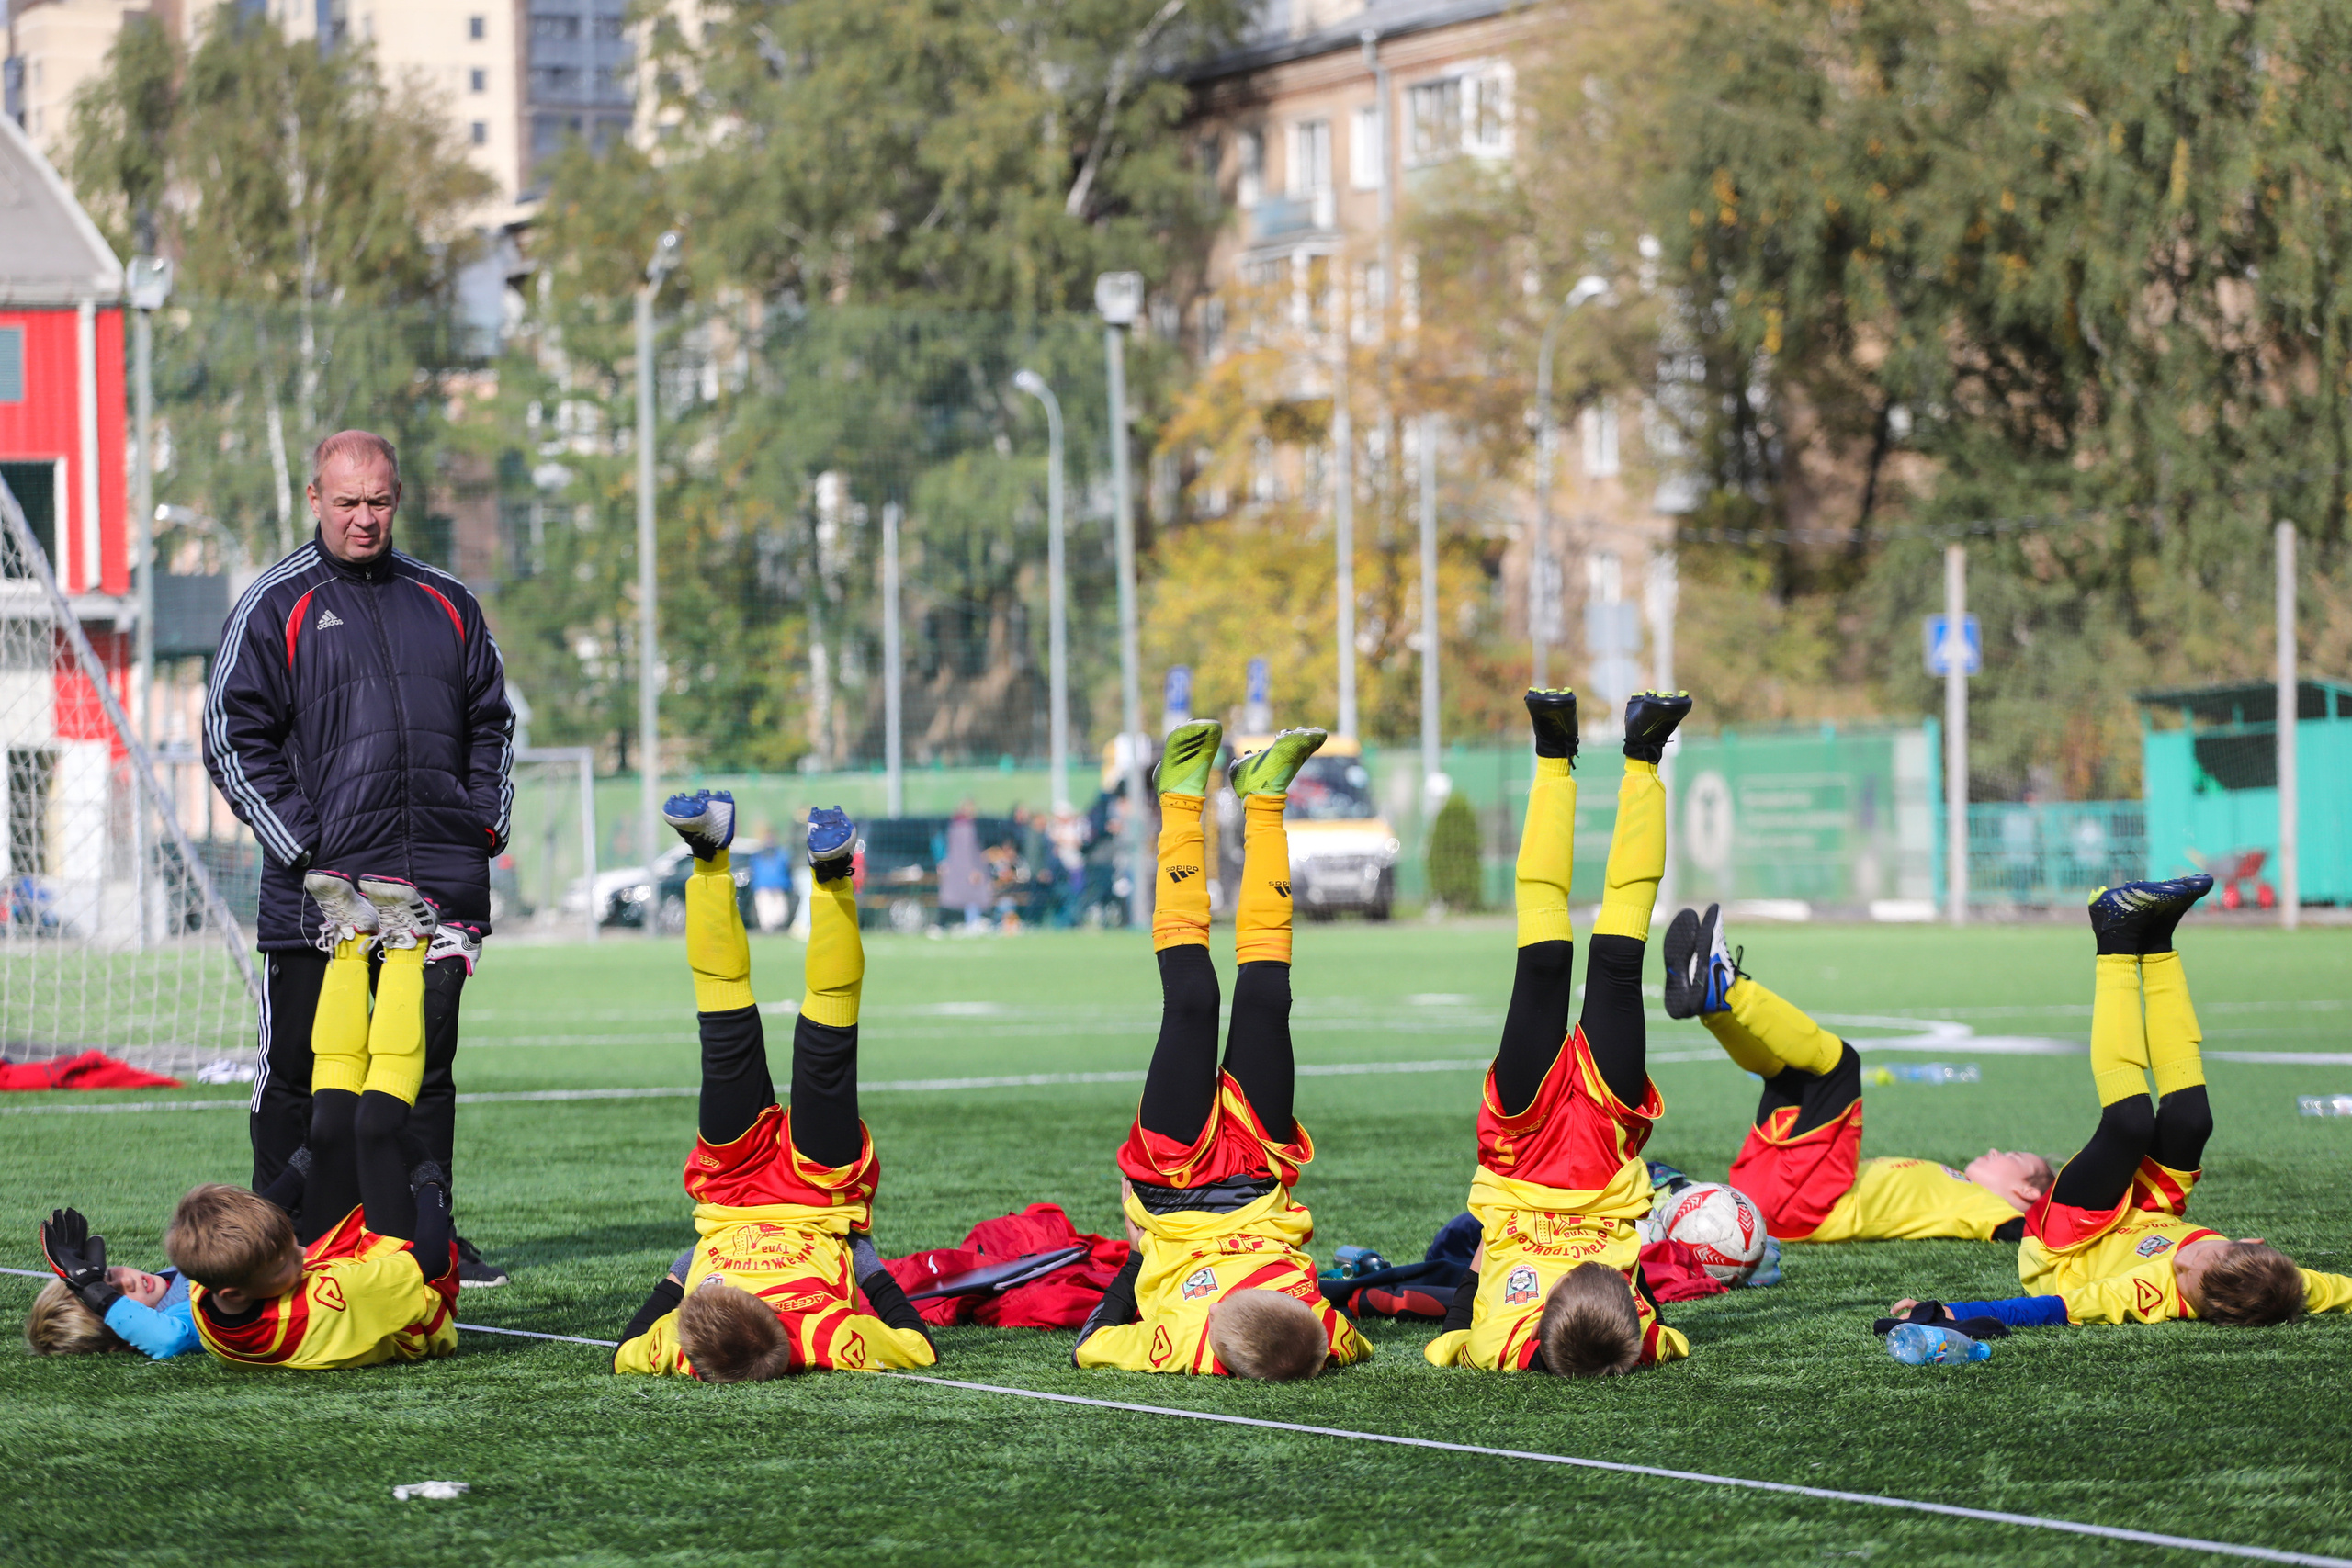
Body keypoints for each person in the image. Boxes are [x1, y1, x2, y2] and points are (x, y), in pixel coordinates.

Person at [203, 429, 514, 1288]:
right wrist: (307, 850)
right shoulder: (274, 604)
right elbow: (231, 739)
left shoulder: (448, 600)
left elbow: (492, 721)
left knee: (424, 1072)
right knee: (300, 1075)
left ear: (399, 497)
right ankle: (277, 1238)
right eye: (347, 503)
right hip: (320, 897)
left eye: (378, 501)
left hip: (436, 889)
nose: (364, 519)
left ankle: (426, 1235)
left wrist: (481, 824)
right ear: (314, 499)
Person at [1888, 876, 2352, 1331]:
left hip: (2066, 1247)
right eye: (2202, 1250)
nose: (2181, 1261)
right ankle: (2158, 940)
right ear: (2250, 1241)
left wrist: (1950, 1313)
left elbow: (2049, 1309)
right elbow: (2341, 1290)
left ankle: (2115, 940)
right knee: (2192, 1121)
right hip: (2148, 1213)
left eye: (2185, 1272)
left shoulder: (2148, 1294)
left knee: (2130, 1125)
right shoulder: (2280, 1277)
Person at [1072, 720, 1371, 1381]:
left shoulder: (1187, 1346)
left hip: (1173, 1188)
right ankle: (1263, 798)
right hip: (1259, 1175)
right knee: (1268, 994)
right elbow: (1348, 1337)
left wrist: (1141, 1248)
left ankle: (1178, 800)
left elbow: (1090, 1344)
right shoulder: (1315, 1332)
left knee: (1194, 1002)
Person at [613, 792, 937, 1381]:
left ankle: (718, 855)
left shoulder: (789, 1342)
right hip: (799, 1195)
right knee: (762, 1043)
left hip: (739, 1190)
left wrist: (865, 1260)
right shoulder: (813, 1337)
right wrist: (681, 1273)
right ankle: (822, 874)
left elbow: (627, 1349)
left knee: (767, 1042)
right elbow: (916, 1344)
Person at [1425, 688, 1693, 1377]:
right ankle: (1644, 757)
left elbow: (1464, 1313)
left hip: (1522, 1148)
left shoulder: (1504, 1346)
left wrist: (1455, 1329)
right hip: (1604, 1147)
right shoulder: (1632, 1336)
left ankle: (1553, 756)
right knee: (1618, 958)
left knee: (1543, 961)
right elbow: (1658, 1335)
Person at [98, 872, 464, 1370]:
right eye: (286, 1256)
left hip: (345, 1266)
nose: (297, 1251)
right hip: (410, 1294)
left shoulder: (210, 1304)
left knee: (330, 1120)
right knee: (376, 1125)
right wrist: (428, 1181)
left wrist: (308, 1155)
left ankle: (352, 944)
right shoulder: (321, 1302)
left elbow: (273, 1231)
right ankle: (406, 947)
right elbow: (431, 1260)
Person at [1660, 903, 2052, 1243]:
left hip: (1810, 1205)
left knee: (1840, 1064)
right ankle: (1711, 1009)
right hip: (1766, 1189)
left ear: (2026, 1191)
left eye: (2016, 1156)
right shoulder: (1962, 1188)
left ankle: (1728, 989)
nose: (1999, 1150)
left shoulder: (1986, 1208)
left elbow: (2031, 1232)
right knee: (1785, 1074)